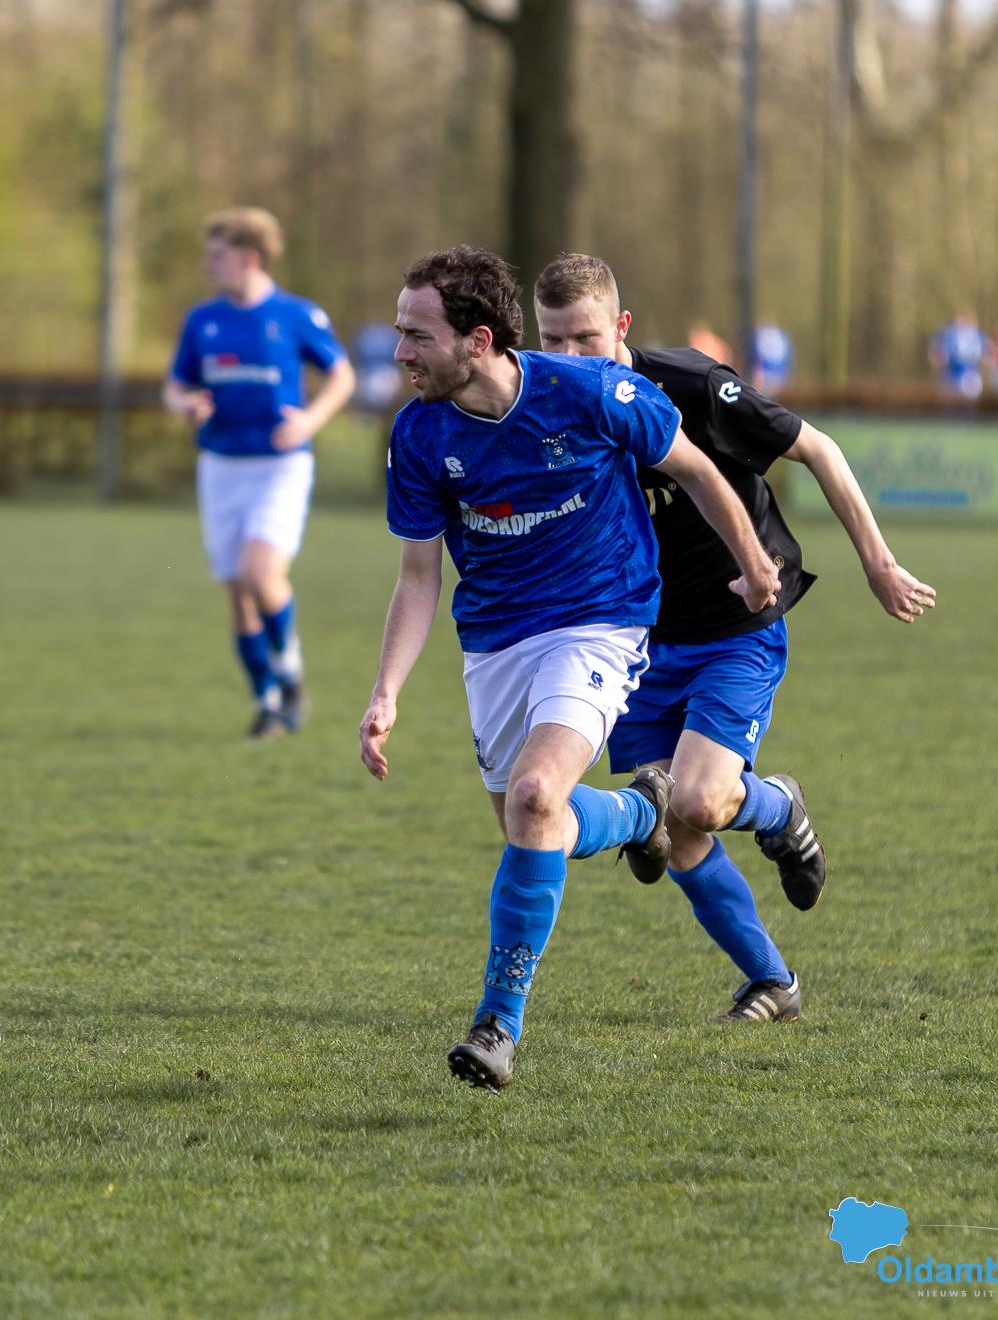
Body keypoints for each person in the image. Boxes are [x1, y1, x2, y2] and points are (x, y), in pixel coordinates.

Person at [360, 246, 781, 1092]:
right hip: (494, 644)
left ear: (478, 341)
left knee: (535, 795)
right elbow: (418, 578)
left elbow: (696, 469)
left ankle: (497, 1027)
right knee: (532, 827)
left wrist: (754, 565)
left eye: (417, 336)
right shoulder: (418, 434)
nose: (400, 352)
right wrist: (386, 692)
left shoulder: (592, 392)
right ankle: (640, 812)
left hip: (601, 623)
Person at [534, 253, 936, 1025]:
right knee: (679, 832)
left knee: (695, 800)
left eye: (586, 338)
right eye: (552, 340)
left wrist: (878, 564)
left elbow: (818, 449)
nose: (570, 358)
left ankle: (779, 807)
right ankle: (772, 983)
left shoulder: (691, 387)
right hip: (639, 640)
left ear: (621, 326)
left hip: (736, 624)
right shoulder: (547, 406)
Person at [164, 207, 355, 739]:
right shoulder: (202, 320)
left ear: (249, 258)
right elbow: (175, 385)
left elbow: (342, 375)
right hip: (220, 466)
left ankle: (290, 672)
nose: (209, 264)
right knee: (236, 590)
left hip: (279, 467)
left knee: (261, 572)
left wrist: (310, 421)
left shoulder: (295, 315)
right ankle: (267, 701)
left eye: (217, 255)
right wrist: (185, 405)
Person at [930, 311, 989, 402]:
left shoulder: (977, 336)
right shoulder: (949, 336)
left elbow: (990, 354)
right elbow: (937, 355)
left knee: (969, 400)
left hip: (970, 375)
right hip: (951, 374)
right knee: (950, 401)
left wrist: (985, 363)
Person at [749, 321, 792, 394]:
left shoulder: (759, 335)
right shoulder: (781, 335)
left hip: (763, 378)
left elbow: (754, 357)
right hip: (778, 377)